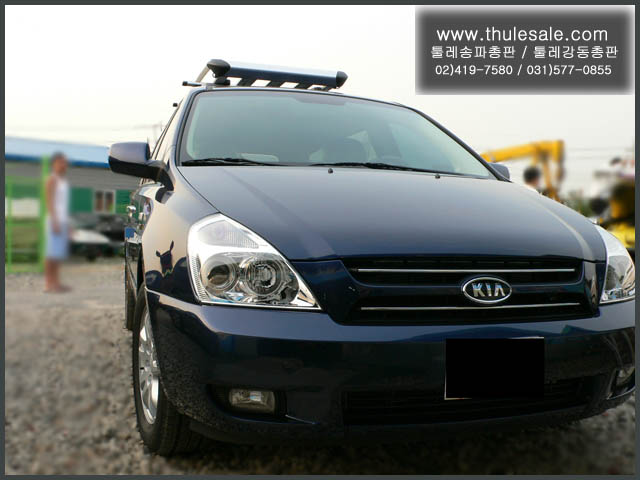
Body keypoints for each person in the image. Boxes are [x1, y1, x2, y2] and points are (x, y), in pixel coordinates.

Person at [44, 152, 71, 292]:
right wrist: (54, 221)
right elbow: (49, 201)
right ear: (54, 163)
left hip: (62, 220)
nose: (64, 165)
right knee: (51, 254)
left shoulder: (63, 181)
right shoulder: (52, 179)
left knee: (58, 254)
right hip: (54, 221)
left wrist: (68, 224)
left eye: (65, 162)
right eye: (61, 162)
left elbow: (63, 204)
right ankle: (49, 284)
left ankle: (56, 282)